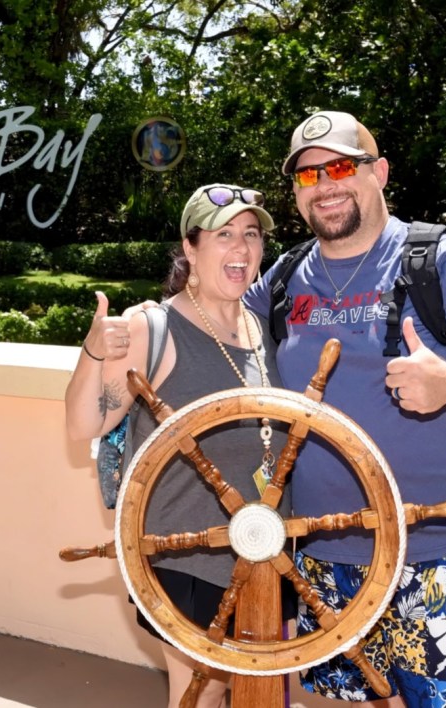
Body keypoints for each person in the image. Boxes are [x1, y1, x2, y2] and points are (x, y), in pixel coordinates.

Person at [242, 110, 446, 706]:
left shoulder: (442, 261)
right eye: (307, 176)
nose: (324, 185)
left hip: (440, 553)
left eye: (341, 167)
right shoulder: (284, 278)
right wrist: (142, 327)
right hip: (327, 554)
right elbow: (214, 322)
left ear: (378, 173)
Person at [65, 184, 290, 708]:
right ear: (190, 249)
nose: (241, 248)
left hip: (263, 552)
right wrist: (94, 351)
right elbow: (82, 425)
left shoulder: (260, 328)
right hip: (186, 556)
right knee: (203, 693)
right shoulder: (153, 328)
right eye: (224, 234)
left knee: (258, 691)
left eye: (252, 235)